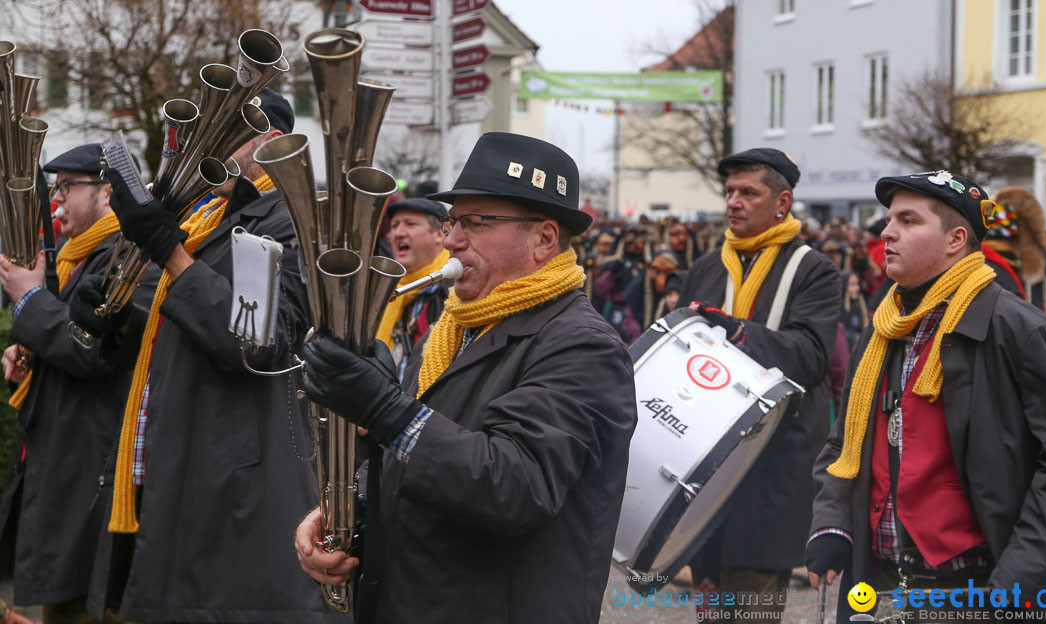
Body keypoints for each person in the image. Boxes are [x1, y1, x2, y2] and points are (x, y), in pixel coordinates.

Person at [293, 132, 637, 624]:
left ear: (543, 239)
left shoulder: (584, 345)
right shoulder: (456, 324)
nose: (452, 239)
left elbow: (517, 486)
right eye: (454, 221)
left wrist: (386, 410)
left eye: (477, 223)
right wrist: (351, 514)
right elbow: (417, 460)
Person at [84, 90, 339, 623]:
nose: (208, 145)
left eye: (230, 132)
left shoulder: (288, 216)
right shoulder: (205, 216)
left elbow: (258, 341)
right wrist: (110, 316)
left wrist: (169, 252)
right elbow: (172, 335)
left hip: (236, 488)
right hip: (174, 474)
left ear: (272, 143)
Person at [806, 171, 1046, 620]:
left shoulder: (1022, 331)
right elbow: (845, 442)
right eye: (890, 219)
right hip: (877, 587)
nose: (887, 232)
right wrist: (832, 520)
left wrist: (1017, 586)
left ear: (956, 239)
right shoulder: (881, 329)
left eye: (909, 221)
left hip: (976, 590)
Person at [677, 147, 841, 619]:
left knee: (750, 604)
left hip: (770, 470)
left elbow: (811, 356)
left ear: (782, 202)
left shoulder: (813, 270)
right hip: (706, 466)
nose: (733, 202)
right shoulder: (707, 267)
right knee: (710, 605)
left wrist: (733, 330)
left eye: (749, 192)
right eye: (730, 191)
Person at [0, 144, 147, 624]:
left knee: (86, 605)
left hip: (92, 474)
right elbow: (64, 340)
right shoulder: (75, 256)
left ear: (107, 190)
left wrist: (28, 303)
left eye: (68, 186)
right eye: (56, 186)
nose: (57, 198)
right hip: (66, 467)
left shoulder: (126, 252)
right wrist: (30, 357)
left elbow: (90, 349)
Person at [376, 197, 450, 377]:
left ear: (441, 233)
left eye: (410, 224)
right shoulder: (383, 292)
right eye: (394, 226)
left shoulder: (456, 290)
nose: (399, 233)